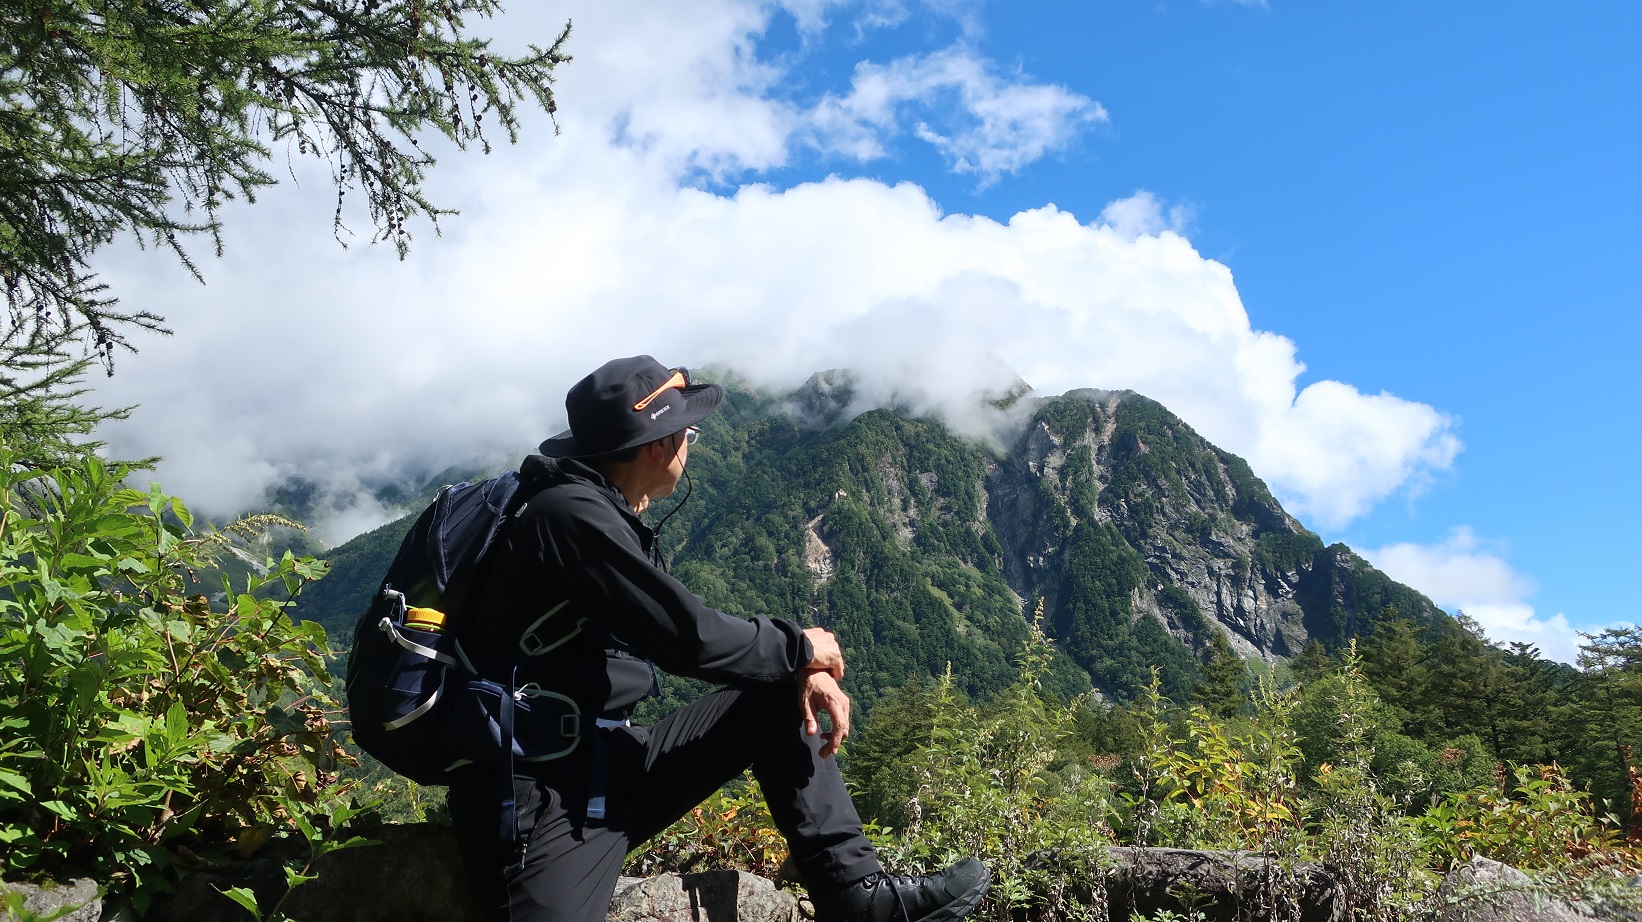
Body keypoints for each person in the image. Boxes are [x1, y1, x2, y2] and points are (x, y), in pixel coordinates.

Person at [445, 355, 989, 922]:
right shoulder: (570, 516)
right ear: (659, 446)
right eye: (688, 434)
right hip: (539, 801)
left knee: (777, 694)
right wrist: (802, 647)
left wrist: (794, 669)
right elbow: (690, 637)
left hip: (603, 765)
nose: (690, 444)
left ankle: (857, 897)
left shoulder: (588, 505)